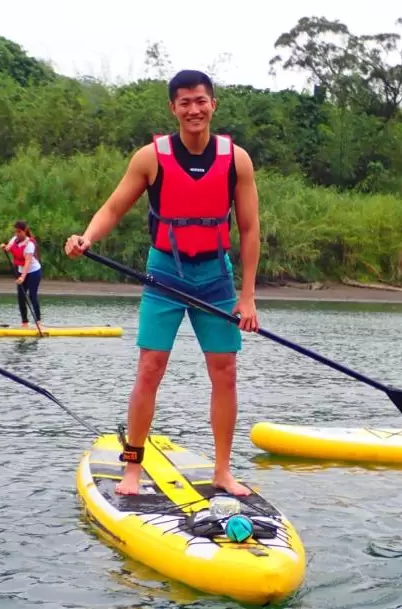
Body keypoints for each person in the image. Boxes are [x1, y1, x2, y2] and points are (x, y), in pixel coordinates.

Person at [65, 69, 262, 496]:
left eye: (201, 100)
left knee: (225, 372)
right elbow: (114, 207)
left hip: (215, 278)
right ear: (173, 108)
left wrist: (247, 297)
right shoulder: (150, 157)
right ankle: (132, 467)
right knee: (150, 369)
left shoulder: (237, 159)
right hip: (165, 273)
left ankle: (223, 471)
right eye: (185, 102)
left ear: (213, 105)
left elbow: (249, 230)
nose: (194, 109)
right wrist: (88, 237)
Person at [0, 220, 44, 333]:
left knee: (32, 296)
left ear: (24, 231)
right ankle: (24, 323)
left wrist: (22, 278)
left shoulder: (30, 244)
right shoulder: (15, 239)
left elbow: (28, 263)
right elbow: (8, 248)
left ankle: (38, 322)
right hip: (20, 271)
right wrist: (4, 247)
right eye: (16, 232)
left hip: (33, 272)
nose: (17, 234)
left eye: (19, 232)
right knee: (21, 297)